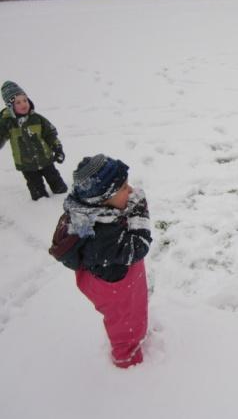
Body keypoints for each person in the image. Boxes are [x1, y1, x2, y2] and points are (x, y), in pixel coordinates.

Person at [49, 154, 152, 368]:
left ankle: (135, 333)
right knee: (125, 322)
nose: (131, 190)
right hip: (117, 287)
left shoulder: (94, 213)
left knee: (133, 312)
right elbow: (138, 246)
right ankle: (128, 359)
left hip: (111, 274)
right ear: (102, 199)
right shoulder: (102, 236)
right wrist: (140, 210)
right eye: (124, 188)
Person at [0, 81, 67, 200]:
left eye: (25, 100)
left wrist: (57, 148)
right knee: (37, 192)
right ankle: (39, 208)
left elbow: (50, 134)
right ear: (10, 106)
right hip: (26, 165)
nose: (23, 104)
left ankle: (60, 196)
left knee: (58, 184)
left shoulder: (37, 119)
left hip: (46, 159)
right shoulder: (8, 123)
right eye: (18, 102)